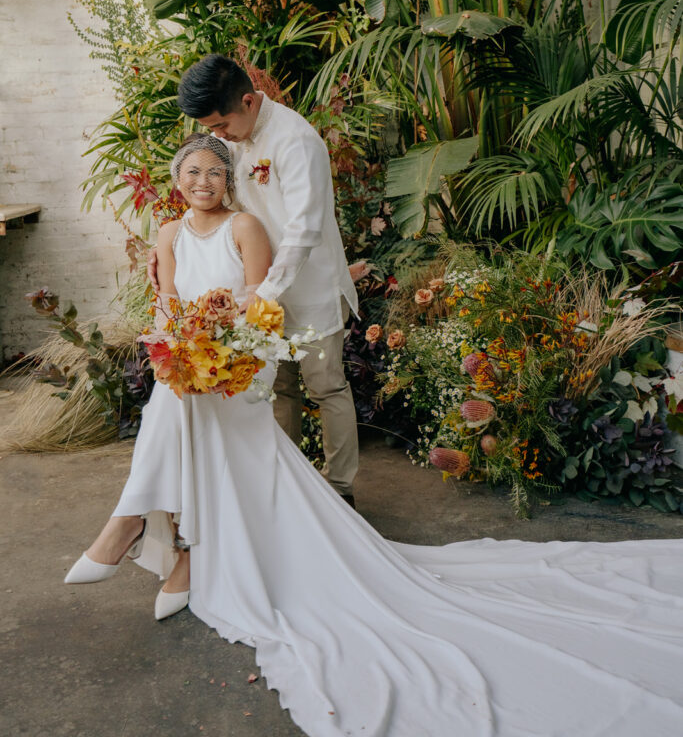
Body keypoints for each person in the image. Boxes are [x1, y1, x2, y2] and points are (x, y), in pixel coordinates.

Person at [64, 133, 683, 737]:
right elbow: (168, 302)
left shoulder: (246, 227)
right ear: (176, 181)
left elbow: (257, 302)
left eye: (214, 172)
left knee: (176, 405)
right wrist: (178, 346)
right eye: (192, 173)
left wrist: (220, 347)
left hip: (239, 364)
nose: (203, 183)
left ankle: (141, 525)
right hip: (193, 361)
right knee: (173, 396)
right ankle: (180, 545)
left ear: (229, 179)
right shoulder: (168, 234)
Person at [149, 55, 360, 506]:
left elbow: (305, 230)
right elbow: (208, 193)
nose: (217, 135)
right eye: (210, 127)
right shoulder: (229, 133)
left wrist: (262, 295)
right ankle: (283, 480)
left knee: (326, 387)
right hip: (254, 291)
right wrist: (166, 248)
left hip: (309, 289)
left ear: (248, 101)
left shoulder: (296, 141)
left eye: (221, 125)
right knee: (277, 387)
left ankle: (340, 489)